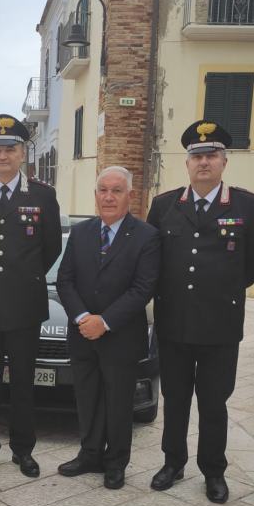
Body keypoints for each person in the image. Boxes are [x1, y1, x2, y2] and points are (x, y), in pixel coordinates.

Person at [147, 121, 254, 503]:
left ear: (224, 161)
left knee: (214, 403)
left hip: (220, 326)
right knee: (176, 398)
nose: (203, 162)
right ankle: (173, 462)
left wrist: (222, 292)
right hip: (174, 323)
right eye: (196, 156)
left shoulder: (248, 205)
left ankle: (213, 471)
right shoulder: (165, 205)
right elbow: (153, 262)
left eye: (211, 155)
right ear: (186, 163)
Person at [0, 114, 62, 478]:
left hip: (25, 306)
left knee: (24, 382)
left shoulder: (42, 196)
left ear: (23, 153)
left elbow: (50, 248)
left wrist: (25, 277)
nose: (3, 155)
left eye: (10, 149)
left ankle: (23, 450)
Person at [55, 167, 160, 489]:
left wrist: (105, 321)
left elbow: (143, 288)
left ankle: (116, 462)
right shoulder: (82, 232)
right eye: (103, 190)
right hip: (83, 333)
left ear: (129, 195)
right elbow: (65, 279)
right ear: (96, 194)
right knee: (87, 398)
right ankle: (89, 454)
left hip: (121, 336)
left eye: (116, 190)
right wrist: (82, 317)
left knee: (117, 402)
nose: (109, 197)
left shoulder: (146, 236)